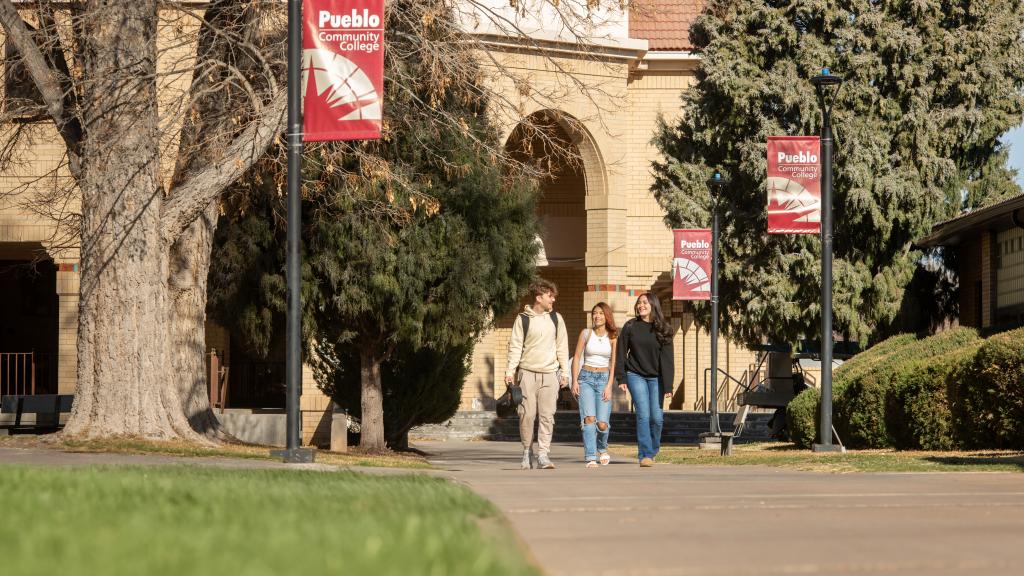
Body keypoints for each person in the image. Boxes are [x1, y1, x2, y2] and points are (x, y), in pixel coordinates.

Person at [505, 279, 570, 469]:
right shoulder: (522, 319)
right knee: (526, 415)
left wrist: (565, 372)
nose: (553, 300)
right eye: (550, 296)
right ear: (539, 297)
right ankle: (527, 451)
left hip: (550, 374)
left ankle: (543, 454)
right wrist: (510, 371)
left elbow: (562, 347)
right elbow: (515, 348)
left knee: (547, 415)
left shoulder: (556, 319)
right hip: (527, 373)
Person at [614, 292, 674, 467]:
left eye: (645, 302)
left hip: (657, 378)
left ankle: (653, 450)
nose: (641, 305)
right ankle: (645, 454)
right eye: (639, 303)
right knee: (643, 414)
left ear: (653, 305)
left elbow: (668, 360)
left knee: (657, 418)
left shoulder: (664, 329)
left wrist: (668, 385)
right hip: (635, 375)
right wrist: (621, 377)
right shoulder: (630, 326)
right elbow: (621, 353)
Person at [571, 302, 618, 468]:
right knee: (589, 419)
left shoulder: (612, 337)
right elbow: (576, 357)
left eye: (600, 313)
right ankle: (591, 456)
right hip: (586, 379)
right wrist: (574, 380)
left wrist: (609, 385)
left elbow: (613, 363)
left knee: (602, 423)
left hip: (604, 379)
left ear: (606, 317)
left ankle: (602, 448)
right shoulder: (586, 333)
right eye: (594, 313)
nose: (597, 316)